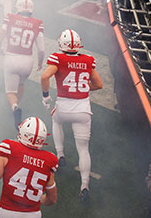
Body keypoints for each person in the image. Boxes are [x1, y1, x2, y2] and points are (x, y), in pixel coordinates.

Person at [40, 29, 102, 202]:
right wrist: (83, 87)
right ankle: (84, 186)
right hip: (83, 110)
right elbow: (99, 84)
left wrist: (45, 96)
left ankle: (60, 154)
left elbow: (45, 76)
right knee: (83, 150)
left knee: (56, 120)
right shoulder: (88, 60)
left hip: (64, 108)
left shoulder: (58, 59)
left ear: (62, 44)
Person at [0, 117, 58, 217]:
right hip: (33, 215)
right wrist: (41, 198)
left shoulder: (9, 149)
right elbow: (52, 199)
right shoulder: (49, 160)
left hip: (7, 211)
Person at [0, 0, 44, 129]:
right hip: (27, 60)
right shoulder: (38, 23)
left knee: (10, 92)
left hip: (12, 57)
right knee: (21, 83)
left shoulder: (10, 17)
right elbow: (41, 49)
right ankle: (18, 103)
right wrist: (40, 63)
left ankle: (14, 107)